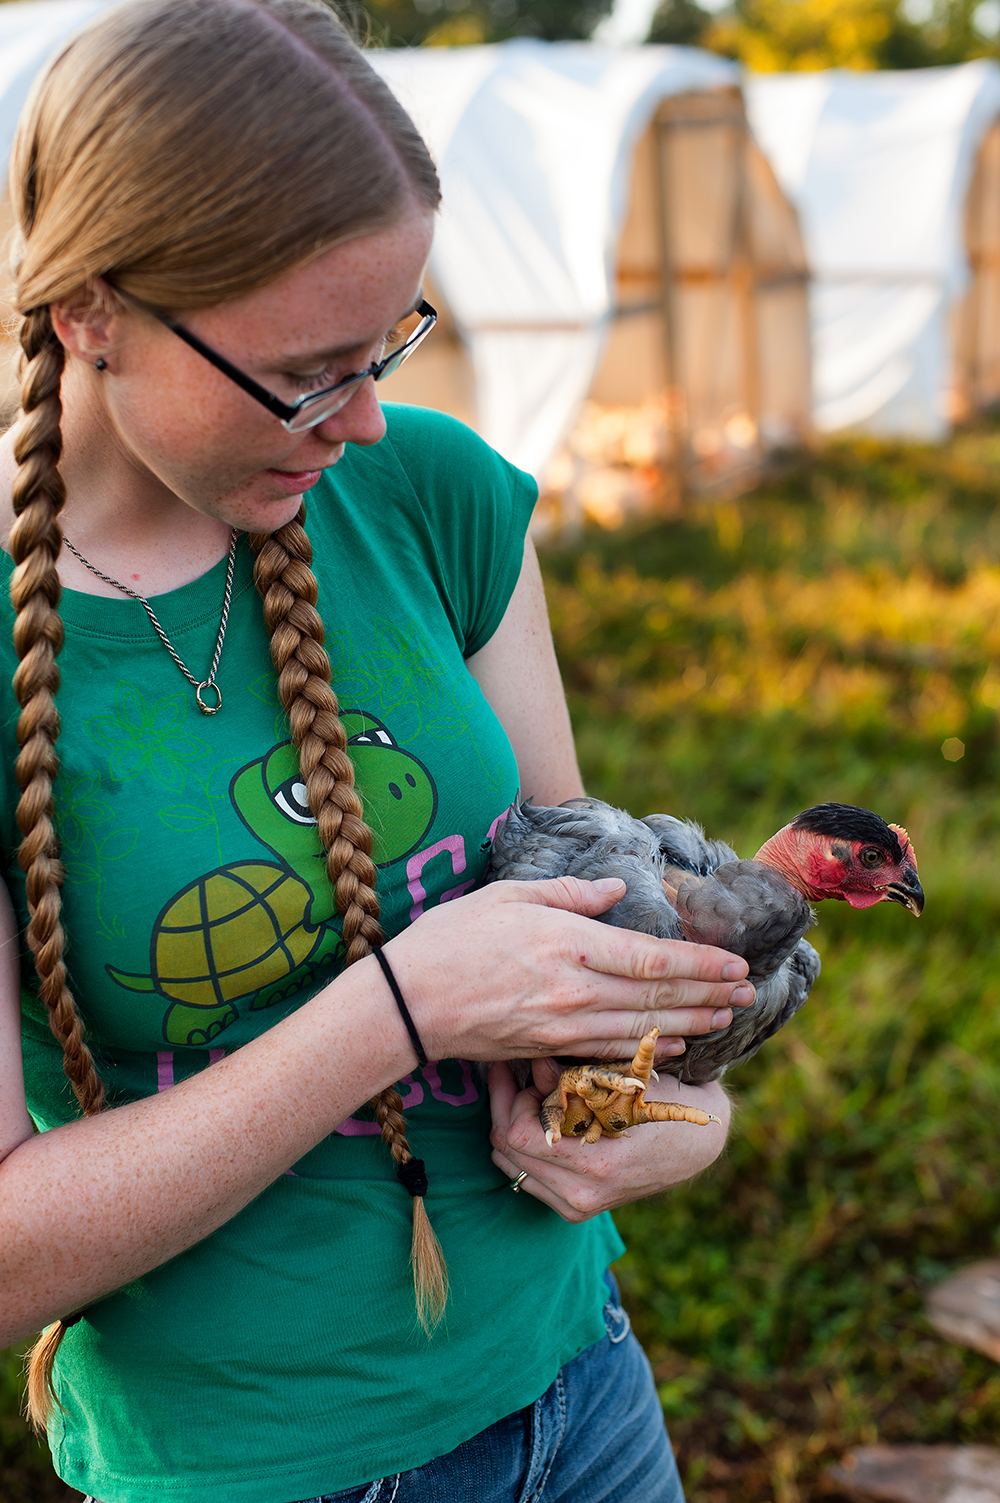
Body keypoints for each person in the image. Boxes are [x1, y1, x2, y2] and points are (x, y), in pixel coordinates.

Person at [0, 2, 755, 1500]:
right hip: (262, 1467)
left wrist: (686, 1119)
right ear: (89, 306)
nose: (364, 421)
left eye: (389, 343)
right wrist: (396, 1010)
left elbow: (591, 941)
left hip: (581, 1388)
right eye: (305, 370)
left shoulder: (433, 502)